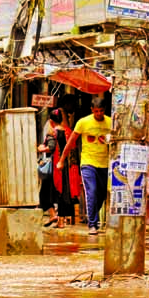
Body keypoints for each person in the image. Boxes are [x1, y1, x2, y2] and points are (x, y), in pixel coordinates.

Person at [57, 96, 111, 236]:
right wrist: (62, 159)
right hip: (88, 163)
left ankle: (92, 215)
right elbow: (71, 141)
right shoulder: (83, 122)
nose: (99, 114)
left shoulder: (110, 123)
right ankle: (93, 224)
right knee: (91, 192)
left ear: (104, 110)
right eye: (96, 111)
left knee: (101, 195)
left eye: (101, 111)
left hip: (105, 164)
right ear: (92, 110)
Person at [50, 108, 80, 228]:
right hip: (68, 166)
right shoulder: (69, 132)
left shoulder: (52, 133)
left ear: (52, 121)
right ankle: (64, 219)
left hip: (58, 165)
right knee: (66, 193)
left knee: (59, 193)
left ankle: (60, 220)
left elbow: (50, 148)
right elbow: (73, 150)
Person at [37, 119, 58, 227]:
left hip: (51, 169)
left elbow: (51, 148)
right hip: (57, 168)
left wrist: (41, 148)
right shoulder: (62, 133)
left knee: (44, 194)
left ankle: (53, 214)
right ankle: (54, 215)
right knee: (50, 194)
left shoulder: (51, 135)